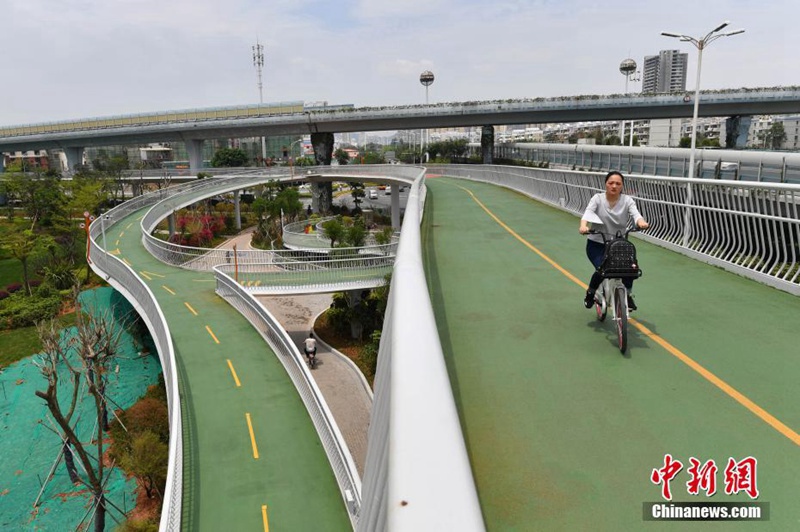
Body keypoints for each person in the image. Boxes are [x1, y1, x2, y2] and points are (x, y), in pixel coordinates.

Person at [579, 171, 649, 310]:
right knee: (602, 269)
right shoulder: (597, 199)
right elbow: (588, 213)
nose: (614, 186)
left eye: (618, 183)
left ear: (622, 186)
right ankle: (591, 292)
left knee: (629, 269)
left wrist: (641, 222)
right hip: (597, 244)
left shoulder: (627, 200)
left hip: (617, 245)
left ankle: (627, 295)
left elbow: (636, 214)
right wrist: (583, 226)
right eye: (611, 183)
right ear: (605, 184)